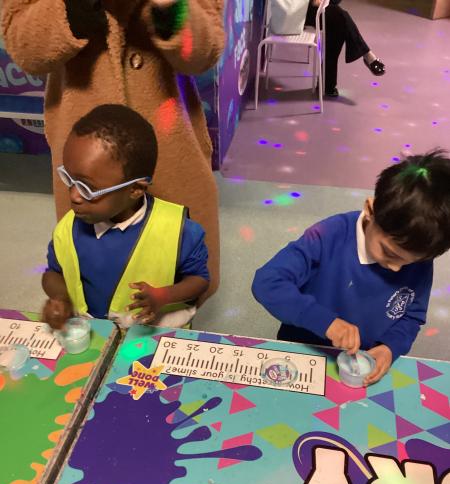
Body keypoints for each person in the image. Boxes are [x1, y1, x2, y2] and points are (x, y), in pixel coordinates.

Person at [1, 0, 223, 297]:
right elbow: (27, 50)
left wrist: (172, 11)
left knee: (179, 271)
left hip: (171, 144)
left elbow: (204, 54)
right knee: (87, 276)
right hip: (85, 148)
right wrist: (76, 9)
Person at [252, 150, 450, 385]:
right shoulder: (329, 235)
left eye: (411, 261)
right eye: (389, 253)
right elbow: (267, 282)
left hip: (358, 362)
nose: (397, 268)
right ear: (370, 211)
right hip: (303, 350)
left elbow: (412, 316)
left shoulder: (418, 257)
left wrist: (389, 347)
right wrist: (325, 322)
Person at [42, 104, 209, 331]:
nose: (73, 196)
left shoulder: (180, 231)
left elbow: (199, 280)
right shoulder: (68, 229)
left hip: (150, 334)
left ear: (135, 189)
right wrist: (61, 298)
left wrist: (164, 295)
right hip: (92, 334)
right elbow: (52, 273)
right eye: (69, 179)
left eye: (88, 188)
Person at [306, 0, 385, 97]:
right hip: (298, 12)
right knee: (339, 16)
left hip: (317, 8)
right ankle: (367, 55)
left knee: (338, 17)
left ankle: (326, 83)